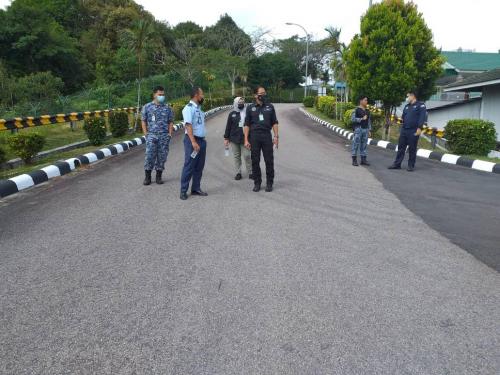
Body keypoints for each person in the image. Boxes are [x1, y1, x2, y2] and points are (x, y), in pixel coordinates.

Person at [244, 86, 279, 192]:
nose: (263, 95)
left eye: (264, 93)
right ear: (256, 95)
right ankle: (257, 183)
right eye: (261, 93)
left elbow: (275, 122)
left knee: (269, 160)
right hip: (254, 137)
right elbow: (247, 124)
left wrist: (276, 136)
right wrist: (246, 139)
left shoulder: (270, 107)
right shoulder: (250, 108)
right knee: (255, 161)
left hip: (266, 136)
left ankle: (269, 183)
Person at [141, 85, 174, 185]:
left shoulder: (167, 108)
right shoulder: (147, 107)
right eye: (160, 94)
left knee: (162, 156)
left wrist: (169, 134)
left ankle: (159, 176)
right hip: (152, 135)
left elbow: (170, 121)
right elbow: (143, 120)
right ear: (154, 94)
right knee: (149, 156)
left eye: (163, 95)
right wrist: (146, 134)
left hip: (164, 136)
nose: (162, 96)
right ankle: (147, 177)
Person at [180, 87, 208, 200]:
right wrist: (193, 142)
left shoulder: (199, 108)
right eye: (202, 94)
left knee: (199, 167)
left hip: (201, 141)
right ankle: (183, 191)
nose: (203, 96)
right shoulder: (188, 108)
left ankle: (196, 188)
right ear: (196, 95)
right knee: (189, 166)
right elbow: (188, 125)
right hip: (193, 141)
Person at [388, 90, 427, 172]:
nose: (407, 98)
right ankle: (397, 164)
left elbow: (422, 117)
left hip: (413, 130)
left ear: (413, 96)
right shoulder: (406, 106)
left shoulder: (421, 105)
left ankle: (411, 165)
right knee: (401, 148)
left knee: (412, 149)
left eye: (408, 96)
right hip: (404, 130)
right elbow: (403, 118)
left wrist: (419, 128)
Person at [224, 97, 252, 180]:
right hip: (234, 139)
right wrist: (226, 138)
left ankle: (250, 172)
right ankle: (238, 173)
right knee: (237, 156)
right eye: (239, 102)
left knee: (247, 155)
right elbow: (228, 127)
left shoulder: (247, 113)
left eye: (242, 102)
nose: (241, 104)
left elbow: (250, 125)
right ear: (235, 103)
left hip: (245, 139)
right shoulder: (232, 114)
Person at [351, 95, 371, 166]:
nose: (366, 101)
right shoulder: (356, 110)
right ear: (361, 101)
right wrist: (361, 119)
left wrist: (369, 130)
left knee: (364, 145)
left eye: (366, 100)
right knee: (355, 144)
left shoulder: (367, 111)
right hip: (358, 129)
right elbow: (352, 119)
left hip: (365, 129)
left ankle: (363, 160)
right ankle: (354, 160)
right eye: (365, 100)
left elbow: (369, 121)